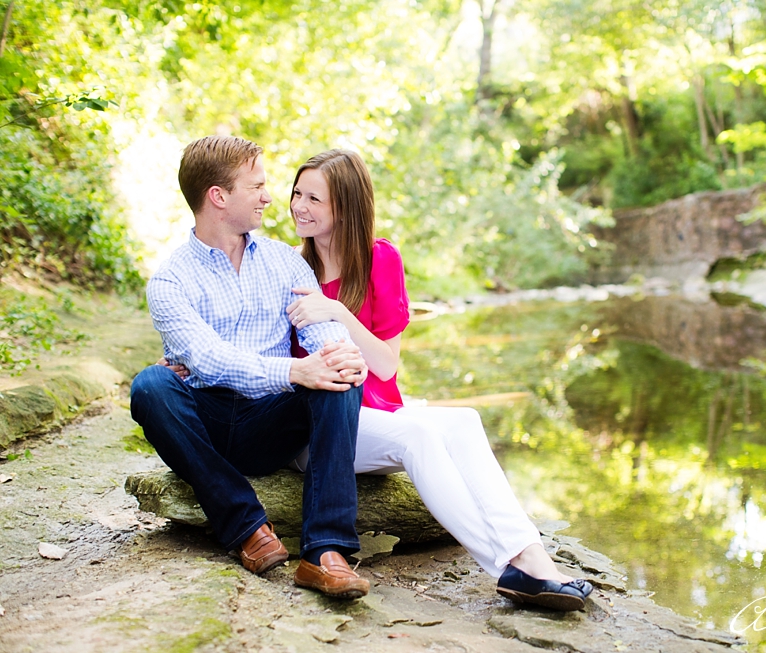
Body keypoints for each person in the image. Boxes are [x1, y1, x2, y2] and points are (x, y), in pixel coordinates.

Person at [284, 149, 594, 611]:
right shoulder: (290, 269)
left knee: (465, 419)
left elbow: (386, 366)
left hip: (379, 411)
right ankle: (507, 570)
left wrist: (338, 312)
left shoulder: (379, 259)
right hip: (321, 431)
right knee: (419, 436)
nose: (299, 207)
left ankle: (533, 557)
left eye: (314, 198)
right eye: (297, 194)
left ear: (346, 207)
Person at [130, 135, 371, 600]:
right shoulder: (170, 281)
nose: (269, 197)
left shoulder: (285, 262)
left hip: (270, 423)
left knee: (337, 375)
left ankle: (325, 552)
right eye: (256, 186)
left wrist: (340, 353)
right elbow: (207, 358)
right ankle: (247, 528)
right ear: (218, 197)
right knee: (150, 385)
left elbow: (321, 330)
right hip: (204, 422)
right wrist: (293, 372)